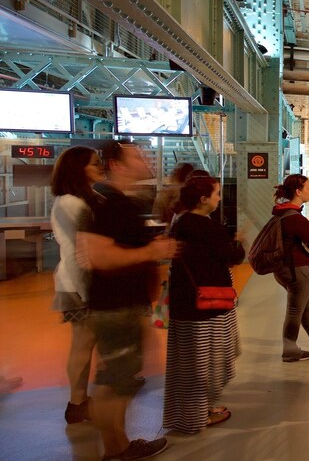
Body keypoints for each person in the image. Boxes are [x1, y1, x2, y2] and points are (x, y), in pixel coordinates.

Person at [80, 140, 179, 460]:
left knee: (118, 380)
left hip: (122, 306)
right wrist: (151, 252)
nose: (146, 157)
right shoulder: (112, 205)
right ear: (119, 166)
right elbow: (98, 256)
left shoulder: (120, 203)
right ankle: (115, 449)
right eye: (137, 155)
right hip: (116, 307)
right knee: (115, 384)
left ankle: (118, 444)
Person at [163, 175, 245, 434]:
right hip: (208, 304)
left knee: (187, 364)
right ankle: (199, 416)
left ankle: (193, 412)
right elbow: (233, 256)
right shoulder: (208, 228)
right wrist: (238, 242)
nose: (219, 199)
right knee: (205, 363)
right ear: (203, 199)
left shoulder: (180, 222)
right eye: (217, 194)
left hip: (184, 302)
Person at [50, 146, 105, 424]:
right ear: (77, 168)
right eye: (94, 162)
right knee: (83, 345)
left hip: (80, 283)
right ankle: (77, 402)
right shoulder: (71, 203)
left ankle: (80, 400)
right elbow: (75, 252)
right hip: (77, 285)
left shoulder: (85, 198)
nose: (100, 165)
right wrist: (87, 293)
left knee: (86, 344)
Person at [270, 174, 309, 362]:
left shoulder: (280, 212)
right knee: (295, 310)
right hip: (297, 269)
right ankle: (289, 349)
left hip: (283, 268)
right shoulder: (295, 217)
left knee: (305, 305)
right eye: (308, 188)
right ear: (298, 192)